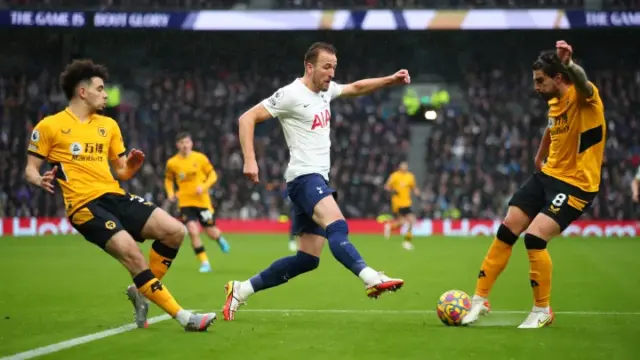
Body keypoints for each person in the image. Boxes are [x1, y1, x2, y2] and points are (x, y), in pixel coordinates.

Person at [222, 42, 410, 321]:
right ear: (309, 67)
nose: (332, 73)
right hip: (304, 178)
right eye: (326, 67)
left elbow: (355, 88)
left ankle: (241, 289)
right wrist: (250, 159)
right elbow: (246, 118)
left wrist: (390, 80)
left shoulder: (326, 90)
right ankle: (370, 277)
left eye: (334, 67)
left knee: (307, 260)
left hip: (314, 178)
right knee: (338, 224)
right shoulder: (290, 94)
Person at [25, 59, 215, 331]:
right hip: (84, 206)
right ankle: (186, 318)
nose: (105, 94)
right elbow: (30, 169)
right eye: (100, 89)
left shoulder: (109, 126)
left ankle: (141, 291)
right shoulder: (49, 126)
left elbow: (122, 171)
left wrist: (132, 166)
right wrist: (38, 179)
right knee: (133, 255)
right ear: (82, 92)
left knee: (175, 231)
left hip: (114, 195)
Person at [462, 41, 606, 329]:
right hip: (547, 176)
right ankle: (480, 299)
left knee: (534, 237)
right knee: (507, 228)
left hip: (577, 184)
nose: (537, 87)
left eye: (541, 81)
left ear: (559, 78)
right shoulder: (554, 104)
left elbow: (582, 81)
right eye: (535, 81)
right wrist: (540, 154)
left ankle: (542, 310)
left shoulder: (584, 98)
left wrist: (570, 64)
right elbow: (553, 128)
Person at [165, 132, 230, 273]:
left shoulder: (200, 158)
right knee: (193, 231)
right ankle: (205, 263)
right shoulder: (172, 163)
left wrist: (204, 186)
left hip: (202, 202)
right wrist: (170, 193)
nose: (184, 145)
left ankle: (219, 238)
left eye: (187, 142)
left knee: (211, 232)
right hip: (185, 203)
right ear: (177, 145)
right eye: (181, 143)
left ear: (191, 143)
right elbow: (169, 179)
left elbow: (213, 175)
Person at [383, 161, 419, 250]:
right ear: (400, 167)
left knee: (402, 222)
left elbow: (414, 187)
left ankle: (390, 227)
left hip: (407, 202)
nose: (404, 168)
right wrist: (393, 191)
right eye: (403, 167)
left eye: (406, 167)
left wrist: (417, 192)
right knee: (411, 220)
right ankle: (407, 241)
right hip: (398, 203)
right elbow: (386, 186)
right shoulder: (394, 176)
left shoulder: (410, 176)